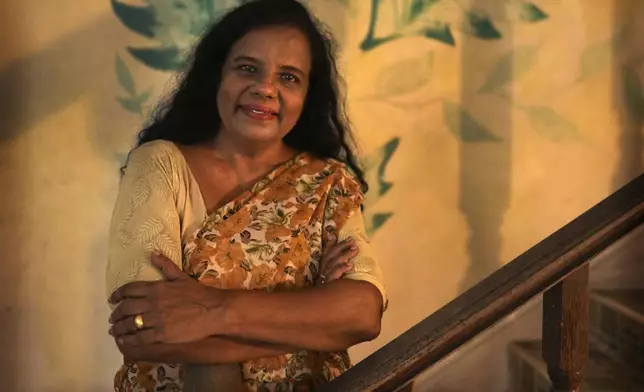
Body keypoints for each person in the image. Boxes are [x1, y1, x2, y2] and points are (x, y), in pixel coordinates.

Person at [105, 0, 388, 391]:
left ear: (307, 96)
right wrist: (315, 319)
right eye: (247, 68)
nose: (265, 88)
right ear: (217, 75)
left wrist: (211, 309)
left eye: (289, 78)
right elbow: (143, 329)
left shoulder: (328, 183)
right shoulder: (161, 166)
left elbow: (362, 315)